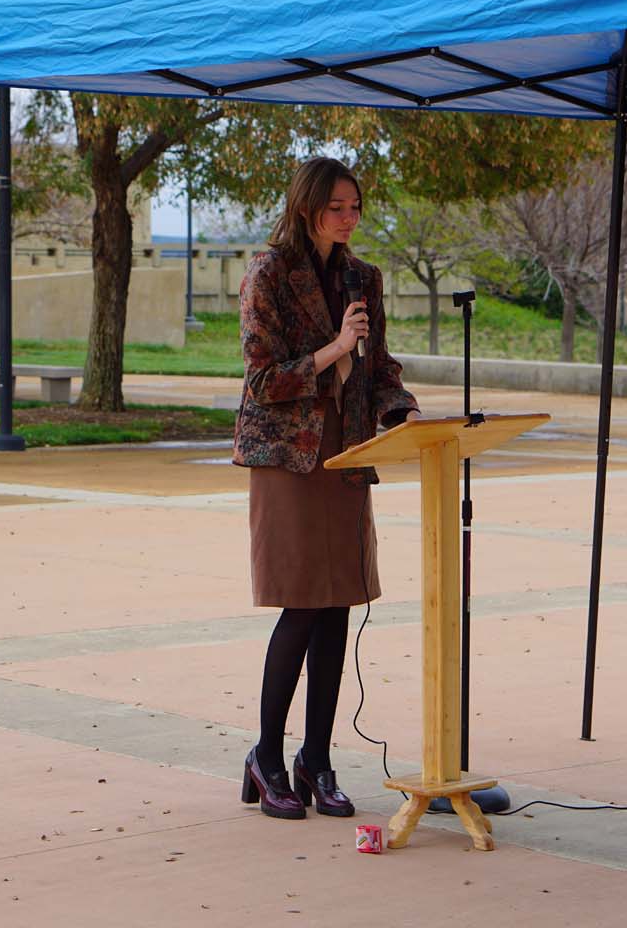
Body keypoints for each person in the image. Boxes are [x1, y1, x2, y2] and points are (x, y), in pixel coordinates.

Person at [234, 156, 421, 820]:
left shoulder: (362, 277)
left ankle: (316, 759)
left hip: (346, 452)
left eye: (355, 207)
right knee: (302, 604)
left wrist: (405, 412)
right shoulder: (268, 274)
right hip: (289, 460)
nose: (349, 218)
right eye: (338, 207)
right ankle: (266, 756)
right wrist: (336, 348)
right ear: (307, 207)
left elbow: (381, 367)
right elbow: (262, 381)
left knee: (338, 604)